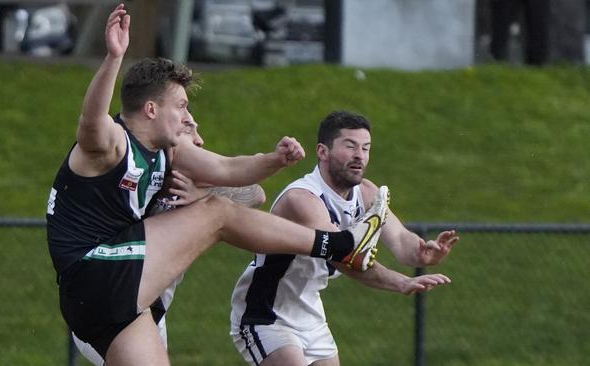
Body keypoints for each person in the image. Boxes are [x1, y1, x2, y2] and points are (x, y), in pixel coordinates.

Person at [46, 4, 386, 365]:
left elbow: (230, 170)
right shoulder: (113, 144)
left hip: (117, 303)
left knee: (216, 207)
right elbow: (90, 122)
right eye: (180, 107)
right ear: (150, 110)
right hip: (97, 273)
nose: (186, 118)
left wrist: (274, 159)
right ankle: (342, 243)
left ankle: (344, 244)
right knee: (217, 213)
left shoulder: (169, 153)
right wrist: (114, 57)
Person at [230, 111, 459, 366]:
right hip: (266, 311)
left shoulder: (368, 193)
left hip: (309, 311)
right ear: (322, 151)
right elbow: (345, 259)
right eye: (350, 146)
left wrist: (423, 253)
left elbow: (403, 242)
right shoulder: (303, 199)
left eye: (366, 148)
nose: (359, 155)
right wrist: (401, 282)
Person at [71, 118, 267, 366]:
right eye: (190, 130)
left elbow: (255, 193)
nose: (200, 140)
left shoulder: (192, 182)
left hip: (151, 311)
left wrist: (203, 197)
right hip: (112, 307)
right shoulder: (144, 176)